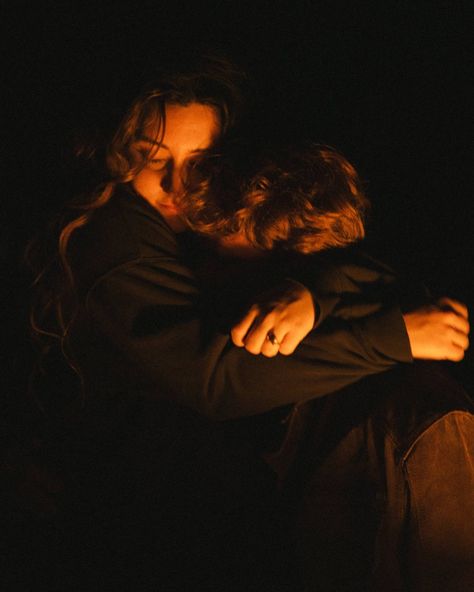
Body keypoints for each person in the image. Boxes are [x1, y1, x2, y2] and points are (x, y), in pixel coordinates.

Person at [24, 58, 471, 590]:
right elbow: (214, 382)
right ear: (114, 151)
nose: (177, 184)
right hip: (123, 520)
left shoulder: (423, 422)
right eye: (150, 158)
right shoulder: (118, 239)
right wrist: (389, 334)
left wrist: (317, 296)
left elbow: (332, 252)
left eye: (200, 160)